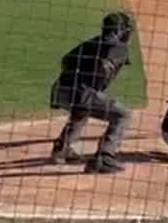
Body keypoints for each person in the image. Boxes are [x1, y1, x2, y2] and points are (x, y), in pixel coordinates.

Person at [49, 11, 135, 173]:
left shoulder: (91, 43)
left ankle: (62, 148)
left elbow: (66, 60)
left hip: (60, 90)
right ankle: (105, 157)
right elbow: (105, 63)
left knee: (82, 110)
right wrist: (100, 70)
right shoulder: (119, 47)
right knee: (123, 114)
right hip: (80, 93)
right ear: (120, 30)